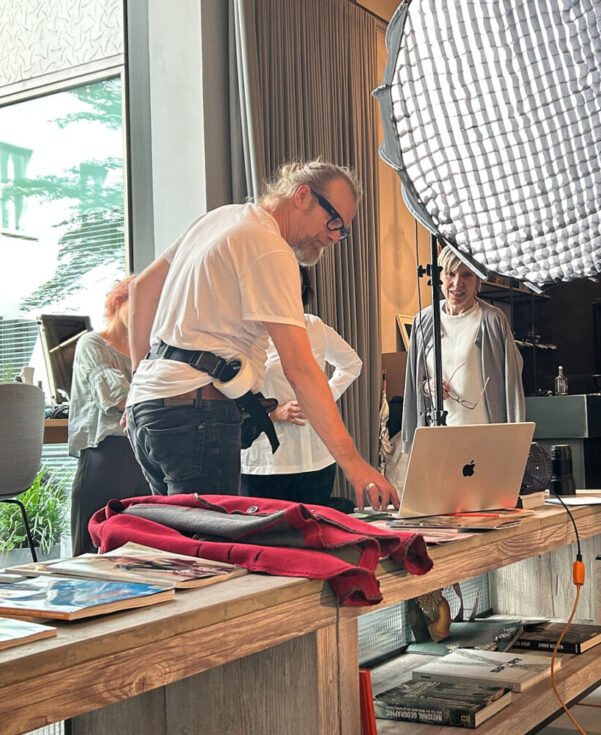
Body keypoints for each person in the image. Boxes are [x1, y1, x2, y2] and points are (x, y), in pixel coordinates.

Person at [126, 159, 397, 510]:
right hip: (197, 413)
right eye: (334, 221)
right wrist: (355, 465)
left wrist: (139, 379)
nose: (334, 236)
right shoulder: (270, 247)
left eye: (342, 230)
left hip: (148, 409)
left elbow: (142, 290)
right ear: (302, 195)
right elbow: (299, 368)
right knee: (209, 552)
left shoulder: (219, 218)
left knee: (179, 550)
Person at [240, 268, 362, 505]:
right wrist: (273, 414)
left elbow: (351, 364)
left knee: (314, 535)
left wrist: (324, 397)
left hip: (315, 457)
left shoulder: (313, 326)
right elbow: (232, 393)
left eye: (297, 289)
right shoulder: (245, 333)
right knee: (266, 538)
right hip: (265, 463)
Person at [401, 246, 526, 453]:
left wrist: (515, 443)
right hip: (440, 439)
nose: (457, 283)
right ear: (439, 276)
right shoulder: (423, 321)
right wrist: (428, 387)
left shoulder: (493, 320)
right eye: (450, 273)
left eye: (467, 275)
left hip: (485, 438)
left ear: (478, 281)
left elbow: (512, 382)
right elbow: (414, 383)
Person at [68, 276, 150, 556]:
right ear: (118, 302)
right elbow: (119, 399)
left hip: (142, 451)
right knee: (90, 551)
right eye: (136, 304)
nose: (142, 313)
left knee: (135, 551)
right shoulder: (93, 343)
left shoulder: (149, 352)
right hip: (107, 450)